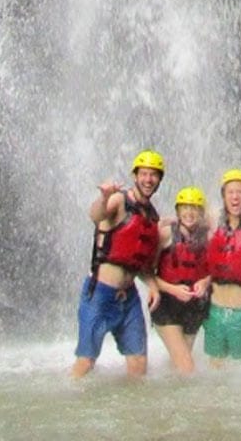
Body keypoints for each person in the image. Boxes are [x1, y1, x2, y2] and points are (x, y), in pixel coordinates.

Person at [71, 149, 164, 379]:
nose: (148, 179)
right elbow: (95, 215)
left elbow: (139, 263)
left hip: (128, 297)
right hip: (100, 294)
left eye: (154, 175)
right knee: (86, 361)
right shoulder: (119, 200)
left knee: (139, 361)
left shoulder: (151, 215)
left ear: (159, 180)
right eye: (144, 174)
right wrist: (104, 197)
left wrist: (152, 285)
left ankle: (133, 411)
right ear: (135, 176)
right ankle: (69, 403)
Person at [202, 169, 241, 367]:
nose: (235, 196)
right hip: (216, 310)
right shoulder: (214, 221)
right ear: (223, 196)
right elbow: (189, 216)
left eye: (240, 192)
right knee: (215, 368)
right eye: (230, 192)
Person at [151, 186, 212, 374]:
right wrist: (172, 289)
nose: (189, 213)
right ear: (177, 211)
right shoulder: (166, 234)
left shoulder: (208, 237)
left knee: (181, 362)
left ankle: (169, 396)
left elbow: (215, 270)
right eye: (185, 208)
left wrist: (205, 282)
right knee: (187, 366)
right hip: (167, 304)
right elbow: (147, 273)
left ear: (202, 213)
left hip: (195, 305)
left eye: (194, 208)